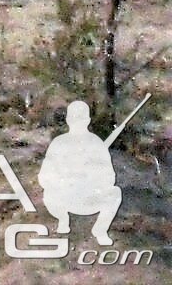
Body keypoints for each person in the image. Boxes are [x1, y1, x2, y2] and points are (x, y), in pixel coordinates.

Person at [38, 102, 120, 245]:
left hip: (89, 198)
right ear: (68, 120)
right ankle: (63, 220)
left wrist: (92, 176)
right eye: (75, 119)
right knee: (48, 194)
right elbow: (44, 176)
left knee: (115, 193)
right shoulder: (59, 144)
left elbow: (109, 177)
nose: (77, 123)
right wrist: (63, 180)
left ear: (87, 121)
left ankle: (100, 230)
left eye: (80, 119)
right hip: (64, 198)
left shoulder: (96, 143)